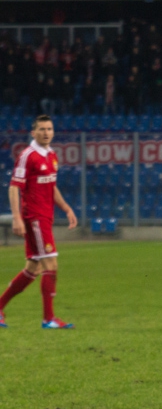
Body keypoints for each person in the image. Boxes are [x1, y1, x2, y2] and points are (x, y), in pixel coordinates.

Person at [0, 115, 78, 329]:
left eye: (49, 129)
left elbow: (51, 186)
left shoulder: (51, 155)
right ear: (33, 133)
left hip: (45, 216)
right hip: (34, 217)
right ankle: (48, 319)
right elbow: (14, 186)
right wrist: (17, 217)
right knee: (51, 264)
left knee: (32, 268)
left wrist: (66, 208)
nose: (46, 132)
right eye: (42, 129)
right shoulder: (28, 155)